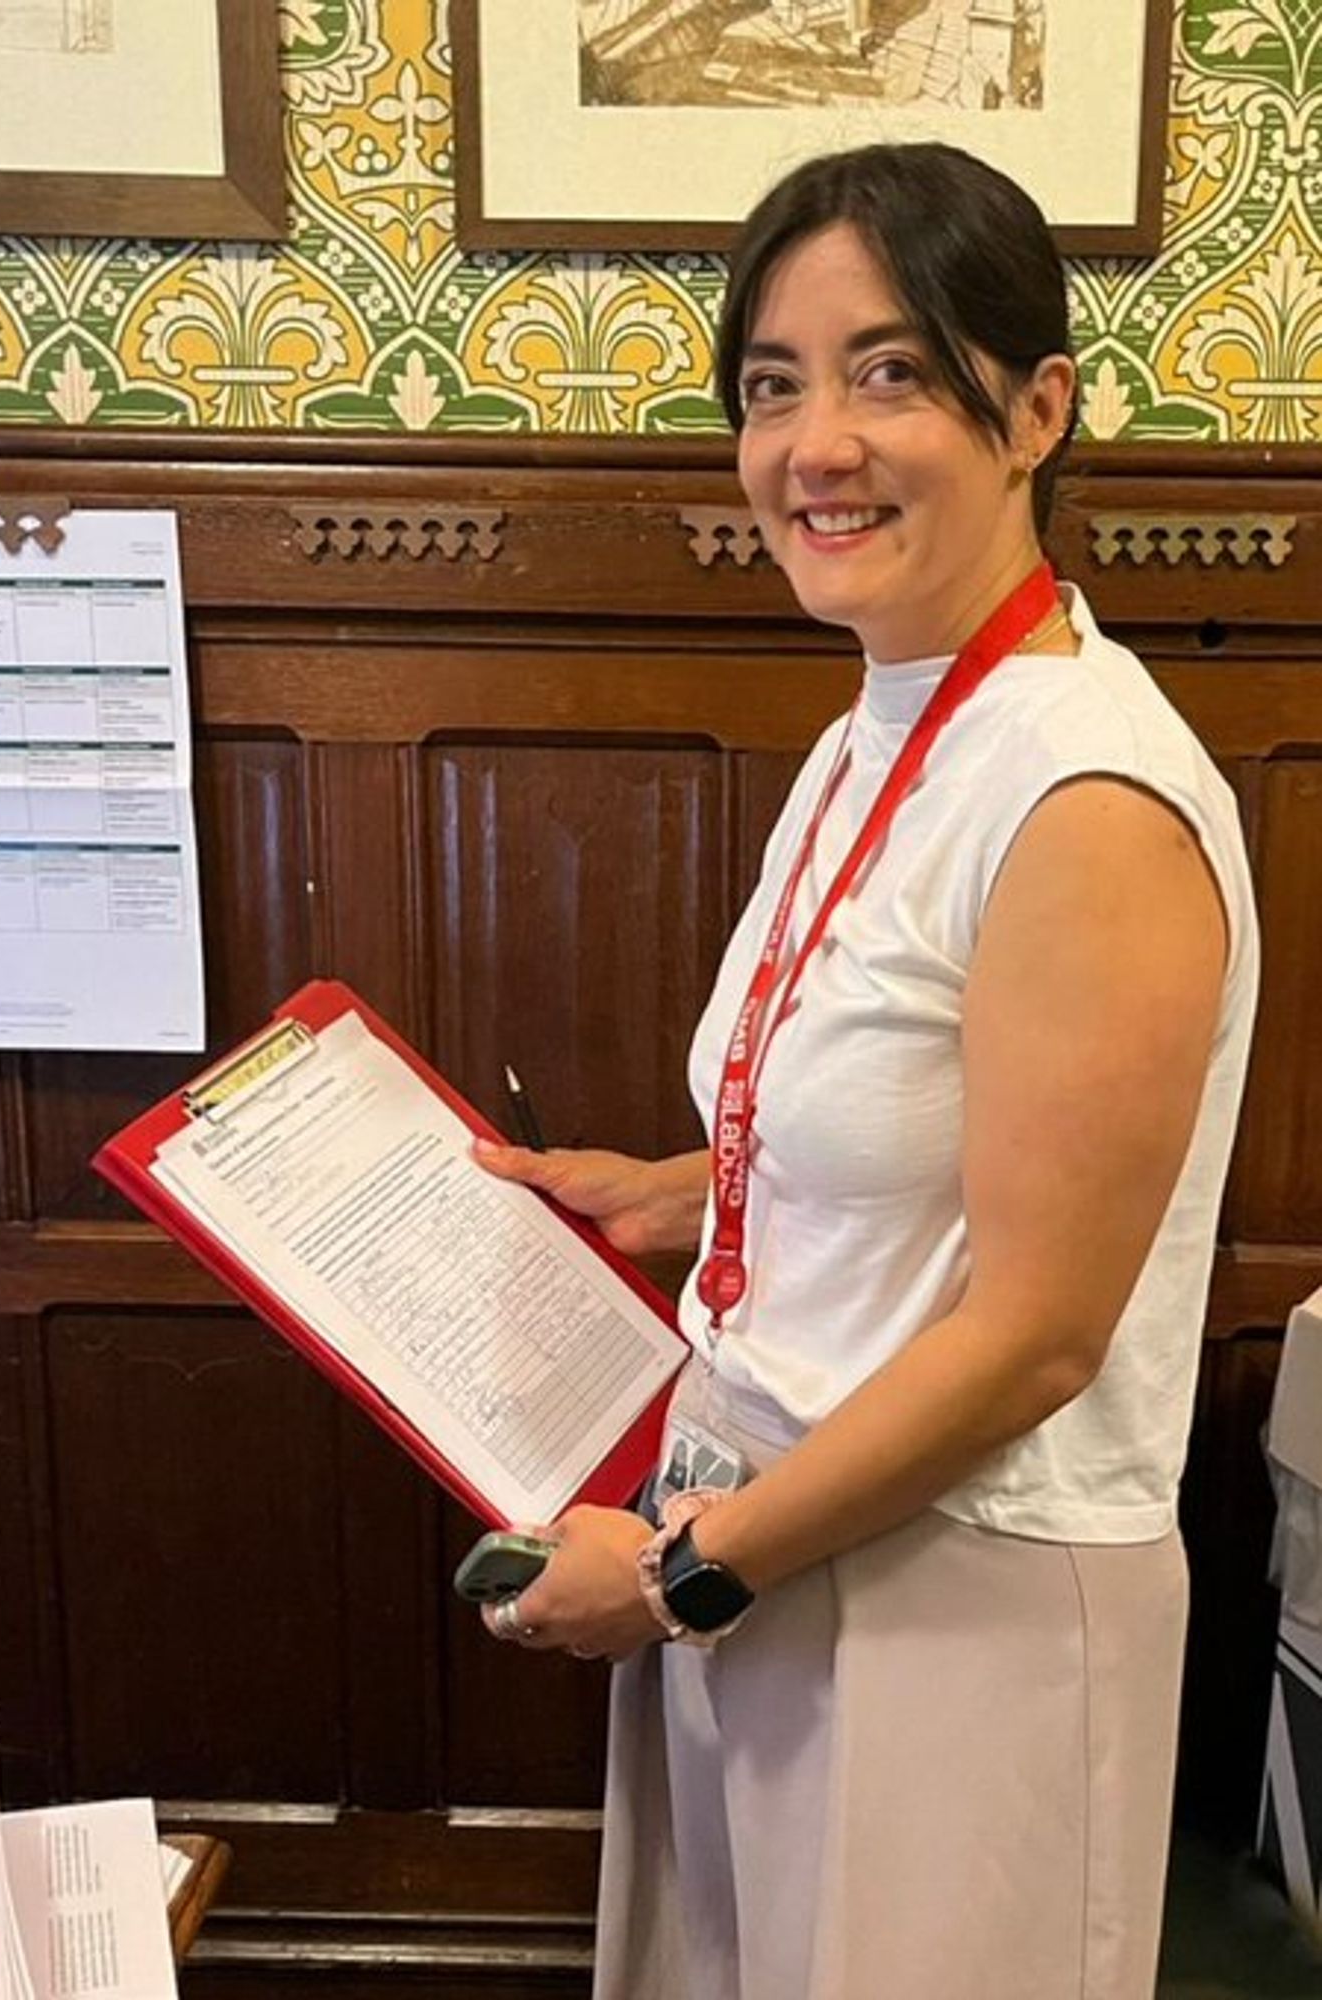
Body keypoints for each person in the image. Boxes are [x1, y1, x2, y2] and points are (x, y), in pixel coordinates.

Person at [473, 142, 1259, 2000]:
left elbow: (1038, 1334)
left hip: (957, 1589)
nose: (814, 441)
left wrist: (676, 1580)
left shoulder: (1085, 795)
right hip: (769, 1524)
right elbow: (912, 1121)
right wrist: (663, 1190)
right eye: (771, 385)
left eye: (891, 371)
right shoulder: (888, 716)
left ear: (1037, 408)